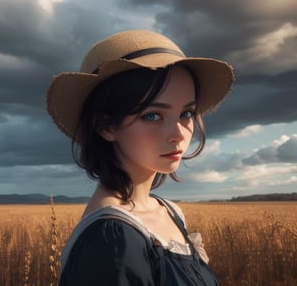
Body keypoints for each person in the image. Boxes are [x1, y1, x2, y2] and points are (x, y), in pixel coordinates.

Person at [46, 29, 234, 285]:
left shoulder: (168, 211)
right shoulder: (111, 240)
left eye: (186, 113)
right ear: (106, 126)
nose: (178, 133)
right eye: (153, 115)